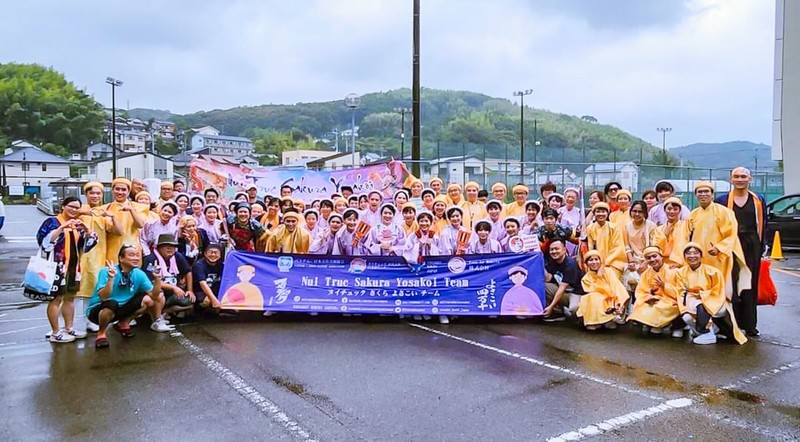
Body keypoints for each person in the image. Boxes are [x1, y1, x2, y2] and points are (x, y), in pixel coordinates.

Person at [715, 167, 767, 336]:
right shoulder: (722, 200)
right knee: (732, 282)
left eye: (743, 176)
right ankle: (732, 324)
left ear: (749, 179)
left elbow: (763, 223)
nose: (739, 179)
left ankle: (750, 324)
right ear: (731, 179)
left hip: (752, 245)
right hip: (731, 244)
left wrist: (762, 244)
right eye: (736, 176)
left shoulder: (758, 200)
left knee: (750, 283)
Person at [88, 244, 173, 349]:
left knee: (148, 300)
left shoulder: (138, 273)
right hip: (100, 310)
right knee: (111, 304)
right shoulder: (106, 271)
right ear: (121, 258)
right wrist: (111, 279)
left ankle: (123, 323)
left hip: (122, 308)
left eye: (137, 255)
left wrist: (157, 279)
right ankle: (101, 334)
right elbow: (104, 297)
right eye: (132, 255)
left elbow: (154, 296)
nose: (136, 258)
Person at [37, 197, 97, 343]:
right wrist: (62, 228)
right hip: (56, 266)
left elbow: (87, 246)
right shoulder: (52, 222)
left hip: (73, 267)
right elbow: (44, 241)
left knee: (70, 298)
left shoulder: (77, 225)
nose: (74, 210)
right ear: (63, 206)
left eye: (77, 208)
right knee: (56, 299)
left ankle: (69, 327)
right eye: (71, 206)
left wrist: (87, 230)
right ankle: (55, 331)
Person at [687, 182, 751, 302]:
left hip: (719, 258)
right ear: (696, 195)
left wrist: (719, 248)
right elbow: (686, 236)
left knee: (719, 288)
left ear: (712, 194)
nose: (703, 194)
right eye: (699, 192)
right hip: (698, 258)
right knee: (700, 287)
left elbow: (732, 235)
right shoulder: (693, 214)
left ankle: (721, 314)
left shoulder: (724, 212)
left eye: (706, 191)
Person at [677, 243, 747, 345]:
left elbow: (718, 290)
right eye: (688, 253)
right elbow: (680, 290)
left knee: (701, 307)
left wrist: (703, 295)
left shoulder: (712, 272)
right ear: (684, 256)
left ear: (701, 256)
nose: (692, 256)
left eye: (695, 253)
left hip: (712, 300)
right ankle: (703, 332)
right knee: (687, 317)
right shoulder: (681, 272)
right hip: (690, 300)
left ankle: (707, 334)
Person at [78, 182, 122, 334]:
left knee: (96, 286)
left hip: (99, 254)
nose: (95, 196)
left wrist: (112, 216)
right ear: (86, 195)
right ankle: (82, 322)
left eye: (98, 193)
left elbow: (118, 231)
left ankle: (91, 319)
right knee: (82, 287)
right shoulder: (80, 210)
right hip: (82, 253)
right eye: (92, 193)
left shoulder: (103, 213)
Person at [627, 246, 684, 337]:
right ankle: (654, 325)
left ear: (661, 256)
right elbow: (641, 291)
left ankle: (677, 327)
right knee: (641, 307)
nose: (652, 259)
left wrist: (665, 286)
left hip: (671, 300)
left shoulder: (673, 271)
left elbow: (680, 292)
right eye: (649, 258)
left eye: (654, 256)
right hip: (654, 300)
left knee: (661, 307)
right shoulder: (646, 273)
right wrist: (648, 297)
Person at [142, 234, 195, 317]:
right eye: (167, 247)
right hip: (157, 291)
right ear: (159, 248)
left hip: (173, 292)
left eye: (173, 247)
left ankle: (165, 311)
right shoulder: (151, 259)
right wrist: (173, 287)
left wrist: (190, 290)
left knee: (190, 302)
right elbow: (150, 281)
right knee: (159, 295)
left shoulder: (177, 256)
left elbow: (188, 271)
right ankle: (156, 316)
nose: (170, 249)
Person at [578, 250, 629, 331]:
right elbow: (596, 290)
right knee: (592, 297)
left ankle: (608, 320)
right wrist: (599, 277)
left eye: (596, 259)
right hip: (598, 301)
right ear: (587, 263)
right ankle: (594, 322)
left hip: (612, 298)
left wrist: (619, 303)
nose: (594, 262)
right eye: (591, 260)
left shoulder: (609, 271)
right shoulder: (585, 278)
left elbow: (616, 286)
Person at [621, 200, 665, 293]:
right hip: (633, 260)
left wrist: (645, 262)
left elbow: (654, 246)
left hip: (649, 260)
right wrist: (631, 261)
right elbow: (627, 246)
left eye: (640, 212)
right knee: (627, 281)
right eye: (634, 211)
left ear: (645, 213)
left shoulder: (650, 225)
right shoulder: (627, 226)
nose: (637, 214)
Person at [104, 178, 147, 263]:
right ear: (113, 190)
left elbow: (140, 224)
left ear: (128, 191)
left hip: (133, 248)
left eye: (123, 190)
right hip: (113, 249)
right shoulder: (106, 208)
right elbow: (116, 231)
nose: (120, 192)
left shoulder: (139, 207)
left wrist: (131, 210)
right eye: (117, 189)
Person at [543, 239, 585, 321]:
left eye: (557, 249)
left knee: (574, 309)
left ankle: (584, 318)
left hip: (577, 293)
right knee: (544, 286)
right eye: (551, 249)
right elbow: (548, 278)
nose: (554, 251)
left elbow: (562, 288)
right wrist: (539, 261)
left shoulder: (570, 264)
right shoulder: (553, 261)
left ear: (564, 250)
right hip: (565, 291)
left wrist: (550, 306)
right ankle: (557, 313)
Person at [584, 202, 627, 279]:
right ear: (594, 214)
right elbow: (591, 248)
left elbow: (617, 248)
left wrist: (605, 263)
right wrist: (597, 264)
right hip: (596, 263)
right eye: (598, 211)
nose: (601, 214)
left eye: (603, 211)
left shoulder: (614, 227)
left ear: (607, 213)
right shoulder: (590, 228)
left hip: (613, 263)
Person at [657, 197, 689, 268]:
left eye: (675, 209)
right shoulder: (659, 229)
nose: (672, 212)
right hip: (663, 265)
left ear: (680, 211)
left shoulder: (686, 226)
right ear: (664, 210)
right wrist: (665, 235)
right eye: (669, 209)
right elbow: (656, 248)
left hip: (683, 263)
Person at [191, 243, 224, 311]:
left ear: (220, 255)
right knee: (208, 301)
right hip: (200, 291)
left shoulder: (222, 265)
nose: (213, 255)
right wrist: (214, 300)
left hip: (214, 290)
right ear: (205, 254)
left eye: (216, 253)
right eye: (211, 252)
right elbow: (203, 284)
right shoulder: (199, 265)